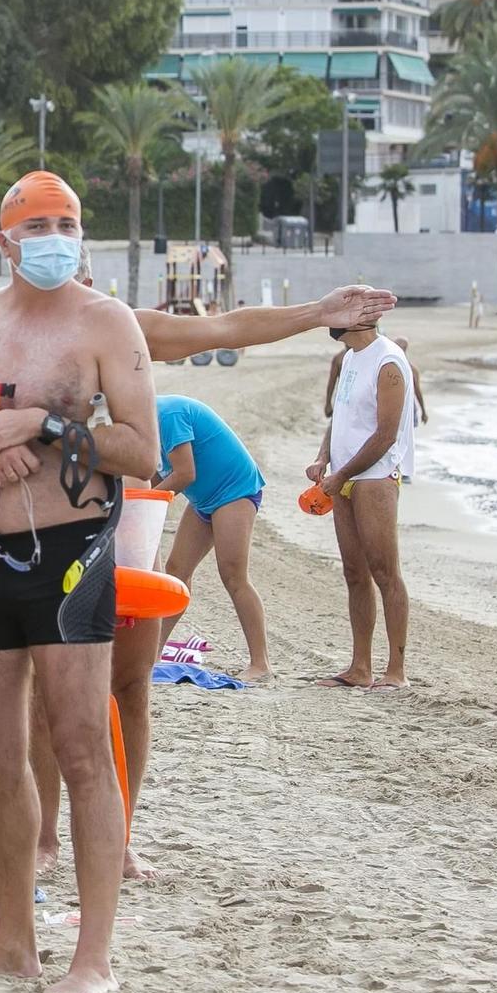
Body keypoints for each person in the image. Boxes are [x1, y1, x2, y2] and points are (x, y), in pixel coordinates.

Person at [41, 275, 397, 881]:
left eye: (76, 252)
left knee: (132, 687)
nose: (77, 280)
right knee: (47, 697)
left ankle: (120, 839)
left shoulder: (122, 327)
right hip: (48, 530)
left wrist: (318, 310)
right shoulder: (5, 332)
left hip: (132, 524)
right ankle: (47, 836)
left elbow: (226, 327)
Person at [0, 171, 158, 993]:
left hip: (73, 550)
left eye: (69, 221)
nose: (57, 235)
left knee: (81, 746)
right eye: (40, 223)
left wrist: (47, 426)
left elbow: (141, 450)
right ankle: (13, 941)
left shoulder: (106, 322)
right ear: (6, 238)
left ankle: (92, 956)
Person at [310, 317, 416, 690]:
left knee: (385, 571)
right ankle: (360, 667)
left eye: (338, 317)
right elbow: (341, 418)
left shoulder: (388, 361)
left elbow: (386, 435)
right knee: (354, 573)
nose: (330, 323)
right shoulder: (350, 357)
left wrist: (342, 475)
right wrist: (324, 458)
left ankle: (396, 671)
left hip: (376, 477)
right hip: (342, 476)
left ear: (357, 320)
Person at [152, 395, 268, 679]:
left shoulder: (168, 414)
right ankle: (153, 653)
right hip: (203, 500)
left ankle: (261, 664)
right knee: (176, 571)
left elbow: (184, 474)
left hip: (235, 490)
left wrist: (145, 502)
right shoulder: (142, 428)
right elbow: (154, 478)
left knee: (233, 575)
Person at [326, 334, 428, 426]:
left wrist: (423, 411)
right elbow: (332, 382)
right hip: (345, 399)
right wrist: (328, 403)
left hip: (396, 405)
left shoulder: (406, 368)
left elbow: (417, 391)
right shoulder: (340, 359)